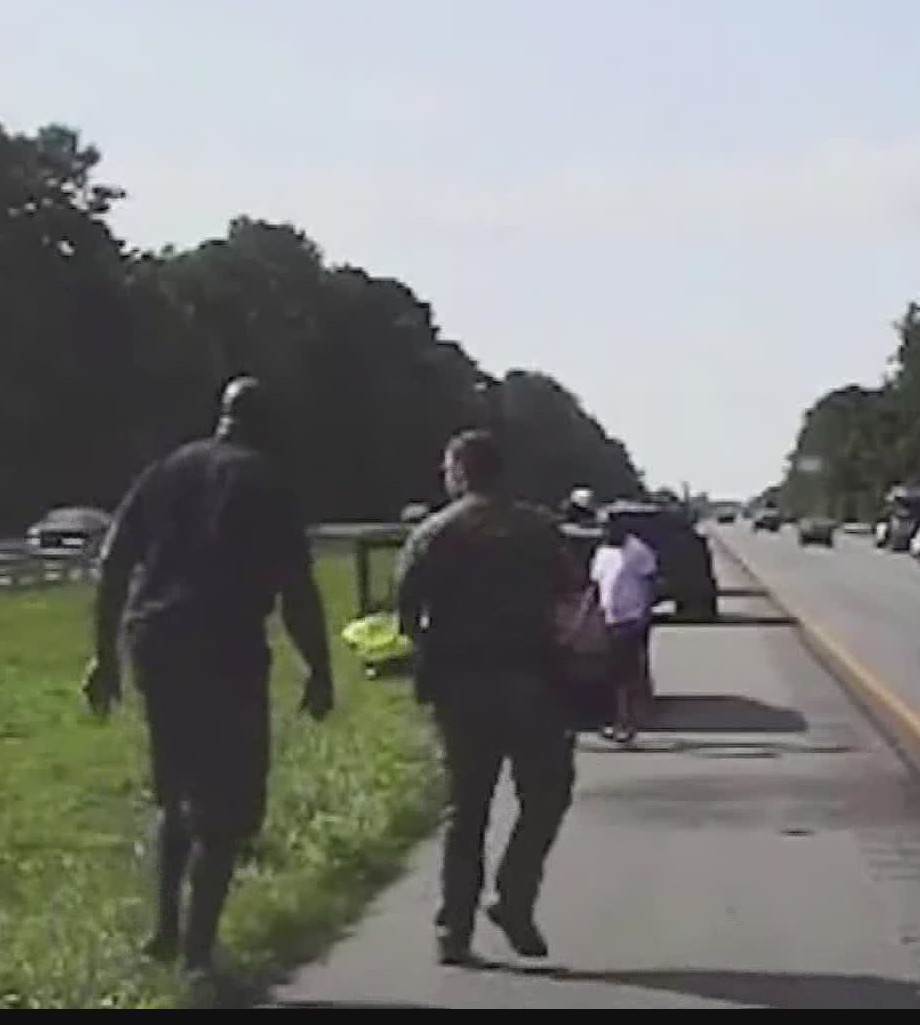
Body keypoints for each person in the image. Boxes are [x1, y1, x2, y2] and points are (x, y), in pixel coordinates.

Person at [82, 375, 334, 986]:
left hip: (156, 643)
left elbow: (113, 564)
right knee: (227, 807)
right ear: (268, 425)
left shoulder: (165, 470)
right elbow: (296, 591)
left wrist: (104, 656)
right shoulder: (267, 481)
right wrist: (319, 668)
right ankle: (198, 954)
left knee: (175, 790)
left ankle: (165, 930)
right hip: (225, 646)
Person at [394, 430, 581, 966]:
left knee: (466, 810)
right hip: (533, 684)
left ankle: (454, 930)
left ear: (459, 472)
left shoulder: (433, 533)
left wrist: (428, 652)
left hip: (460, 687)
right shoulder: (539, 530)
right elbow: (571, 599)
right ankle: (514, 896)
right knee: (546, 796)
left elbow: (406, 609)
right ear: (500, 472)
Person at [590, 514, 658, 744]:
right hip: (609, 619)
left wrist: (645, 614)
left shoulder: (638, 550)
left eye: (608, 528)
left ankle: (627, 723)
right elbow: (597, 586)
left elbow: (650, 582)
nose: (605, 532)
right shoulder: (603, 553)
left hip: (631, 619)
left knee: (626, 674)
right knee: (612, 673)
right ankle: (617, 720)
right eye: (602, 528)